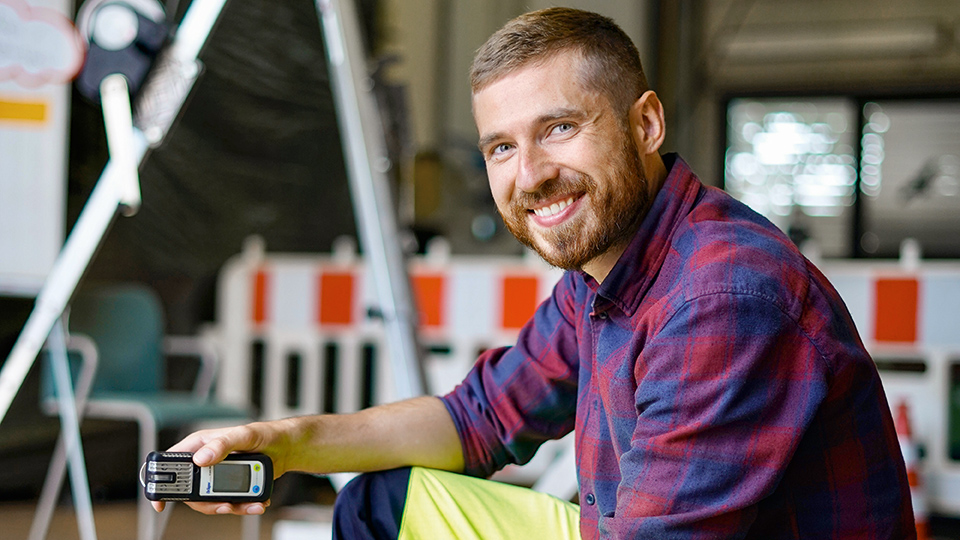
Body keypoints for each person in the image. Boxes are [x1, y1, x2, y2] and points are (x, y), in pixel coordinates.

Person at [155, 7, 914, 539]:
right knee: (386, 503)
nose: (532, 175)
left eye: (559, 128)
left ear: (644, 124)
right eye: (502, 148)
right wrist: (281, 441)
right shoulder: (605, 275)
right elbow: (476, 420)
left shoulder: (722, 296)